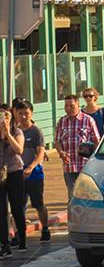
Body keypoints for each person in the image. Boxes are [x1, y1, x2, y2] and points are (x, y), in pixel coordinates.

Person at [55, 94, 101, 199]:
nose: (68, 108)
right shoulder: (61, 122)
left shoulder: (88, 120)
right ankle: (73, 215)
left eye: (71, 106)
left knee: (87, 195)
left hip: (85, 166)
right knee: (72, 196)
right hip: (69, 166)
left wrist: (94, 158)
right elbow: (57, 141)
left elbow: (96, 141)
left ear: (78, 105)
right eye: (66, 106)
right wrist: (61, 152)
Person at [14, 101, 47, 244]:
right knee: (18, 206)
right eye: (20, 113)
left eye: (26, 113)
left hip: (33, 174)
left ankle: (45, 229)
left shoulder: (36, 132)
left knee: (38, 204)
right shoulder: (15, 131)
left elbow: (40, 153)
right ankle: (19, 234)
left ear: (31, 113)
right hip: (17, 173)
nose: (23, 116)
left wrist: (31, 167)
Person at [0, 109, 25, 256]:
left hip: (14, 172)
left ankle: (21, 239)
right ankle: (5, 244)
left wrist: (7, 134)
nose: (3, 120)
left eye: (6, 117)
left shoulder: (17, 132)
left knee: (17, 208)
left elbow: (19, 149)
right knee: (2, 210)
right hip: (0, 176)